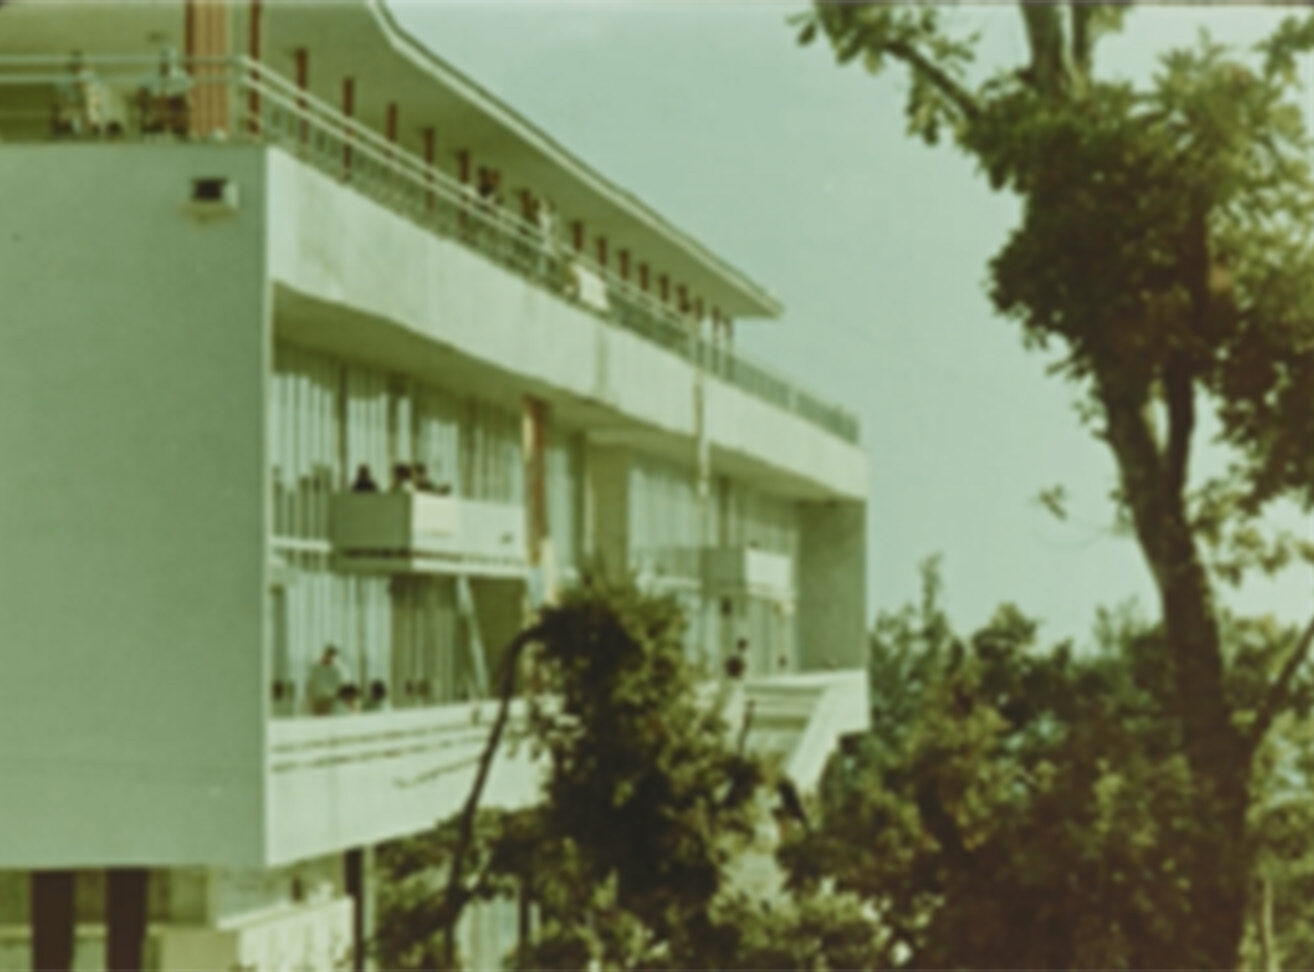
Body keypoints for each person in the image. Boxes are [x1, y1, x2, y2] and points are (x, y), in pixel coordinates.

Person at [307, 646, 348, 715]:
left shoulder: (338, 669)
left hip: (331, 699)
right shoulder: (316, 668)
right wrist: (310, 699)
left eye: (331, 655)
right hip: (318, 698)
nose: (329, 657)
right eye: (328, 654)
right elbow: (310, 684)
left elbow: (342, 684)